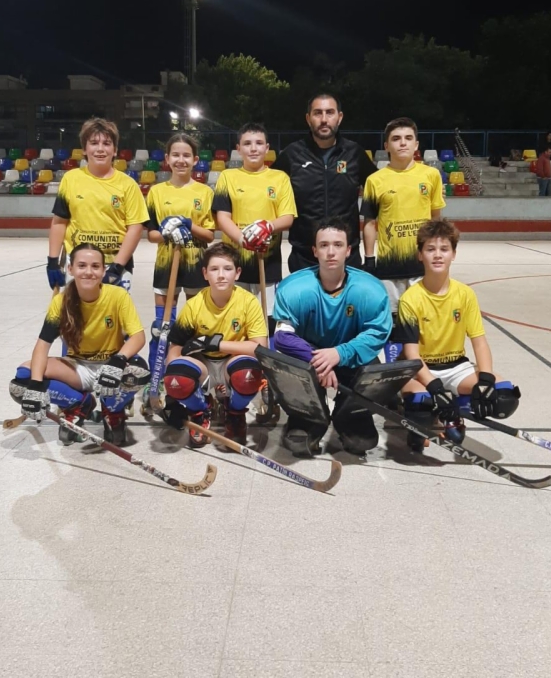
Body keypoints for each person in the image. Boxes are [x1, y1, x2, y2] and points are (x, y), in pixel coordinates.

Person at [393, 219, 520, 452]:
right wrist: (435, 388)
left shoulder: (465, 294)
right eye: (430, 249)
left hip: (456, 367)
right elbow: (411, 355)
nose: (437, 255)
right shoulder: (410, 299)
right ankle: (423, 416)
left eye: (444, 249)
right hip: (420, 370)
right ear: (420, 255)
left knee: (503, 398)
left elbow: (479, 342)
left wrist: (486, 380)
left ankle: (452, 415)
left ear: (453, 254)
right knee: (421, 409)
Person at [272, 216, 392, 457]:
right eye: (324, 245)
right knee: (289, 368)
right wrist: (319, 360)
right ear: (314, 251)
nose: (330, 252)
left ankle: (349, 415)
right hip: (308, 359)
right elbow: (283, 337)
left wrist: (338, 354)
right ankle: (308, 416)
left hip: (350, 355)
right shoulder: (293, 288)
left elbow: (377, 334)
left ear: (348, 250)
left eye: (338, 245)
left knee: (363, 439)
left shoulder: (371, 289)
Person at [10, 244, 149, 445]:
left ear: (103, 270)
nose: (89, 272)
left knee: (138, 373)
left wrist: (118, 361)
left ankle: (112, 412)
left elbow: (138, 336)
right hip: (77, 368)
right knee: (23, 380)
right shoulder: (61, 301)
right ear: (71, 269)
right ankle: (79, 404)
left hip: (110, 366)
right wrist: (36, 386)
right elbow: (43, 345)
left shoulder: (118, 296)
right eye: (82, 265)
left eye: (95, 266)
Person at [162, 242, 268, 448]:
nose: (221, 275)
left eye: (227, 269)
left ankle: (235, 412)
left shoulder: (248, 302)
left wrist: (216, 344)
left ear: (237, 273)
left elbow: (258, 348)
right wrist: (173, 389)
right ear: (205, 273)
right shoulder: (193, 305)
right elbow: (174, 349)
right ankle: (199, 410)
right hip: (204, 366)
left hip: (232, 363)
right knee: (177, 376)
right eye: (214, 269)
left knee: (247, 375)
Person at [361, 117, 445, 359]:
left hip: (421, 265)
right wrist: (369, 259)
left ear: (416, 144)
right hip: (389, 268)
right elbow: (369, 223)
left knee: (424, 320)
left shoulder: (431, 175)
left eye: (408, 138)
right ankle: (395, 369)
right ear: (386, 146)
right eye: (396, 139)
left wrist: (436, 253)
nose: (402, 143)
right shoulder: (375, 180)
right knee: (393, 324)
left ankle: (425, 366)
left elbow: (436, 219)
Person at [274, 94, 377, 272]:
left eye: (329, 112)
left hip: (347, 257)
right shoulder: (292, 155)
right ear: (308, 119)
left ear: (340, 117)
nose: (323, 119)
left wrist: (370, 259)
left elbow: (380, 191)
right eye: (317, 113)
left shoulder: (354, 154)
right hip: (303, 258)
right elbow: (268, 191)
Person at [47, 117, 148, 292]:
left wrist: (117, 267)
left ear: (115, 150)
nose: (100, 149)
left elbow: (135, 228)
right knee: (74, 310)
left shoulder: (128, 185)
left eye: (107, 144)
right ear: (84, 149)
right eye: (94, 143)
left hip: (115, 264)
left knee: (113, 311)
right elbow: (59, 222)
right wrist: (53, 261)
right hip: (79, 264)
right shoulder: (71, 179)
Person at [145, 132, 215, 373]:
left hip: (196, 264)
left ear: (195, 160)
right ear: (167, 158)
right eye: (175, 155)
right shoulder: (156, 192)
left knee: (195, 324)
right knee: (162, 325)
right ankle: (159, 374)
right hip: (166, 265)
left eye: (186, 155)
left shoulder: (205, 192)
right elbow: (151, 235)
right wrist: (167, 232)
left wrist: (187, 224)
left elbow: (209, 235)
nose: (181, 160)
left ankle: (192, 372)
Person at [212, 122, 296, 311]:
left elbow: (288, 217)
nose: (253, 148)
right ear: (238, 149)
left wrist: (268, 227)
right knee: (236, 317)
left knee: (267, 317)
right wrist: (243, 239)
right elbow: (223, 218)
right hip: (232, 262)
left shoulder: (280, 178)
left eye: (259, 143)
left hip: (268, 262)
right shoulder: (227, 177)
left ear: (267, 148)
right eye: (247, 143)